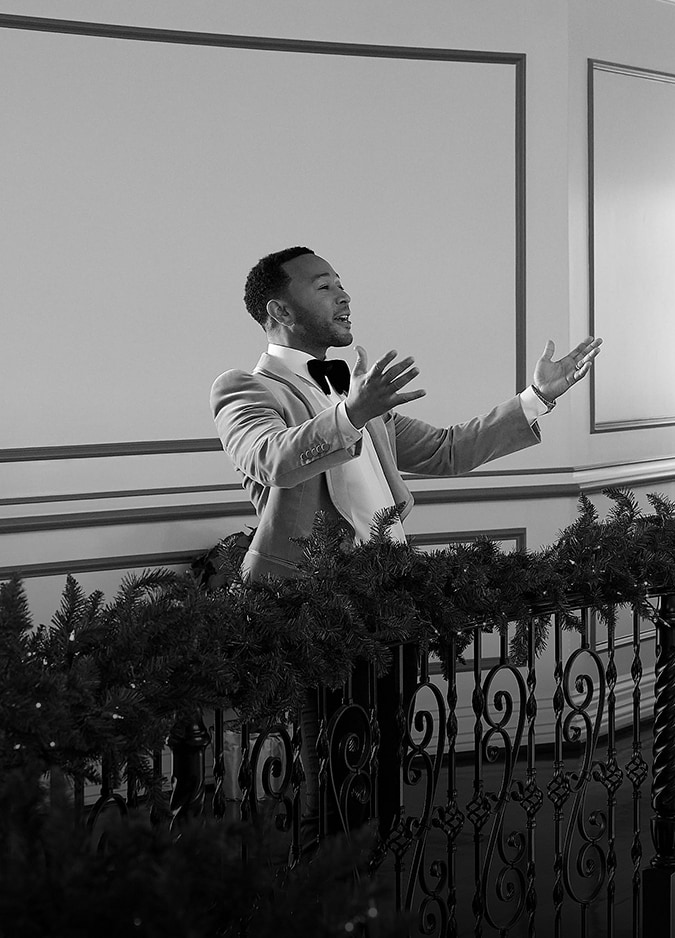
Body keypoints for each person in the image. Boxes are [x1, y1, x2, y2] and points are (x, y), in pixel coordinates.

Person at [210, 245, 602, 842]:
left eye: (342, 284)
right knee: (332, 771)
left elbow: (449, 448)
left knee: (383, 759)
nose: (344, 295)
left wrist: (536, 398)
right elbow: (273, 460)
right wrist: (350, 415)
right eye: (323, 286)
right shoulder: (244, 389)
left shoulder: (363, 391)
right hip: (311, 604)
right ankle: (329, 893)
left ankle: (378, 882)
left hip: (392, 595)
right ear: (278, 309)